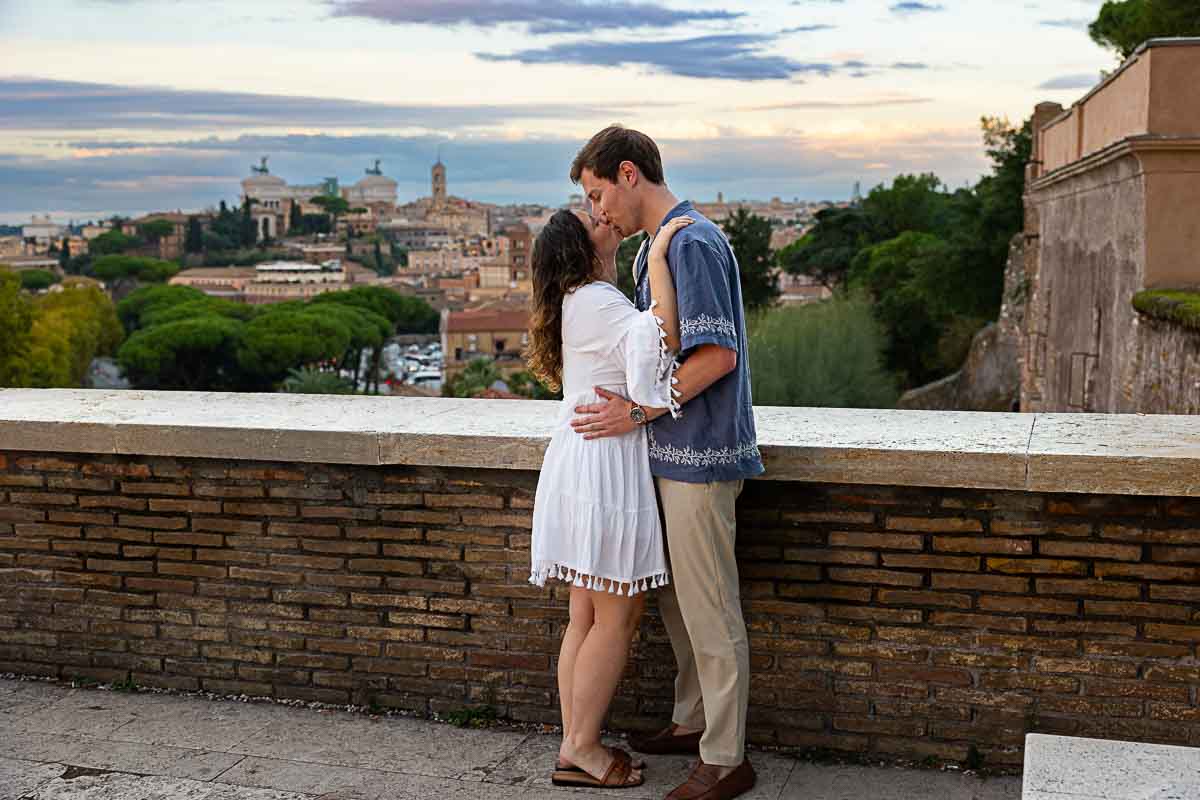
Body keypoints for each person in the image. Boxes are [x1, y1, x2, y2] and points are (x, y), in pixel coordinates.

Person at [569, 125, 764, 800]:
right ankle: (692, 722)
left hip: (701, 455)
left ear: (628, 174)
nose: (598, 213)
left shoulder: (693, 242)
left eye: (598, 194)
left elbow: (717, 357)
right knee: (681, 607)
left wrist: (637, 413)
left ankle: (727, 757)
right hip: (669, 455)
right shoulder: (651, 249)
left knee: (710, 611)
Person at [527, 206, 693, 789]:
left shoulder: (579, 299)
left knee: (586, 615)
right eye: (592, 218)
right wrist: (666, 260)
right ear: (581, 245)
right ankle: (583, 746)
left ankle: (575, 743)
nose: (604, 215)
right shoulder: (596, 299)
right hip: (602, 466)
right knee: (616, 616)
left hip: (581, 462)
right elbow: (659, 349)